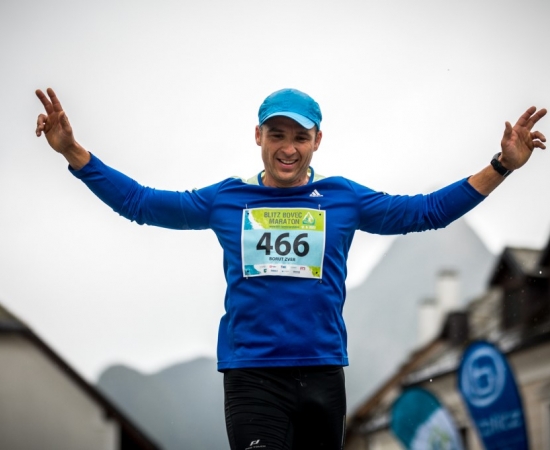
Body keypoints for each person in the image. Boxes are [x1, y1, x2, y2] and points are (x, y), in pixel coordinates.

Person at [35, 87, 546, 450]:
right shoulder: (227, 200)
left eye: (300, 137)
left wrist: (501, 165)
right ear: (257, 135)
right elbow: (142, 204)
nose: (287, 148)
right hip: (252, 374)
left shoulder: (342, 199)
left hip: (322, 372)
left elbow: (426, 211)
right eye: (276, 134)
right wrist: (74, 153)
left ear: (317, 140)